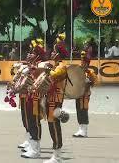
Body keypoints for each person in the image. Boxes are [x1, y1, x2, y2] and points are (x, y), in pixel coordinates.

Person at [43, 34, 70, 163]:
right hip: (51, 98)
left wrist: (46, 69)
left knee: (54, 125)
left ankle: (57, 155)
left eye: (54, 51)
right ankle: (55, 154)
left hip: (56, 99)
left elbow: (54, 75)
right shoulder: (55, 65)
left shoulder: (62, 66)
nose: (52, 53)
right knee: (51, 124)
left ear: (58, 54)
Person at [20, 39, 47, 159]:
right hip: (29, 97)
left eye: (32, 53)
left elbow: (39, 78)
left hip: (35, 98)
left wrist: (30, 69)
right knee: (30, 122)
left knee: (34, 122)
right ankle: (32, 146)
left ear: (37, 55)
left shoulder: (41, 65)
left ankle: (36, 150)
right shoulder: (33, 65)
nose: (29, 54)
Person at [73, 51, 97, 137]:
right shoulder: (78, 70)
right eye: (82, 61)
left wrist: (89, 81)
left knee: (84, 110)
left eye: (84, 62)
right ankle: (80, 128)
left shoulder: (90, 72)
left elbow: (95, 82)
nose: (82, 63)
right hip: (78, 94)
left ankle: (84, 130)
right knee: (78, 111)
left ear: (87, 63)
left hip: (85, 95)